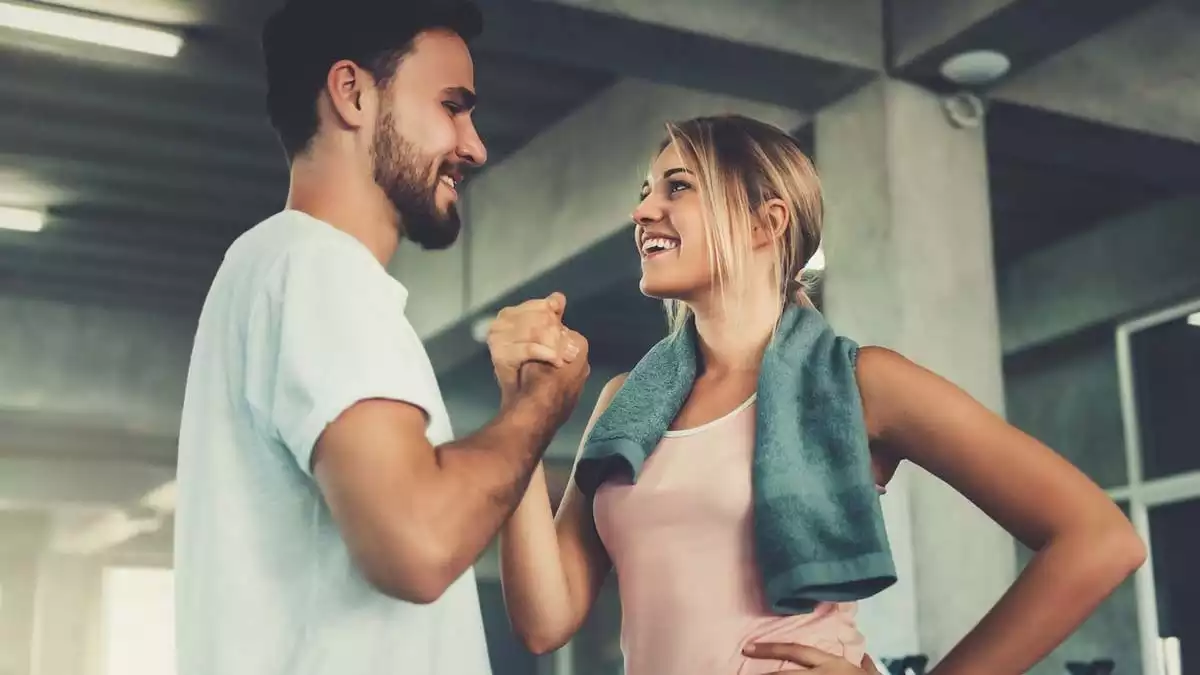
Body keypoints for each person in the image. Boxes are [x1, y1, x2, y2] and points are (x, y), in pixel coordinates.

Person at [497, 115, 1147, 675]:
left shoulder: (861, 384)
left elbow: (1098, 538)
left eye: (678, 187)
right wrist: (521, 414)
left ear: (765, 222)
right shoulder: (624, 405)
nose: (642, 211)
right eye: (644, 192)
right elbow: (544, 620)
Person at [173, 1, 586, 674]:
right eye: (452, 106)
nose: (475, 145)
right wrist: (540, 405)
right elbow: (419, 543)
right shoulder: (316, 268)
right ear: (352, 93)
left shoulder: (274, 269)